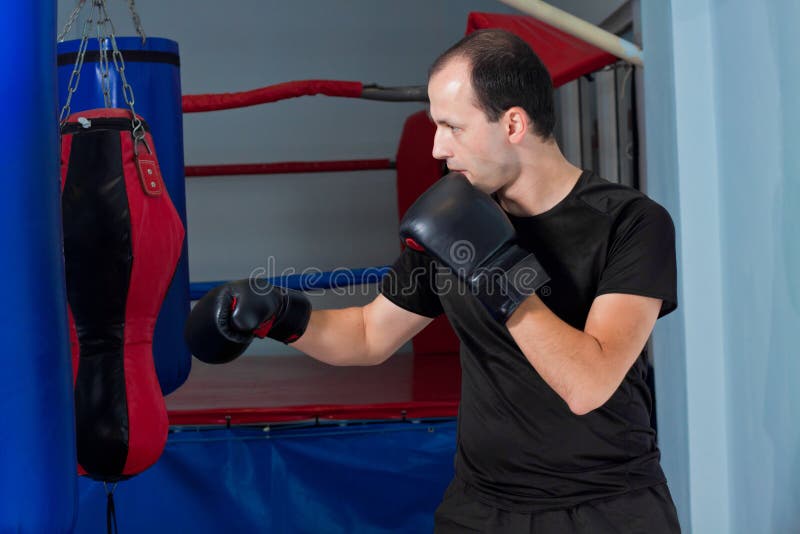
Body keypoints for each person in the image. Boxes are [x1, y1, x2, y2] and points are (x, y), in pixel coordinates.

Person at [185, 29, 681, 533]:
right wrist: (281, 317)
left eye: (453, 127)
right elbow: (368, 335)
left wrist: (496, 272)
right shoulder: (457, 216)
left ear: (513, 123)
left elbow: (587, 384)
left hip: (605, 510)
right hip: (481, 507)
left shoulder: (630, 223)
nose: (438, 147)